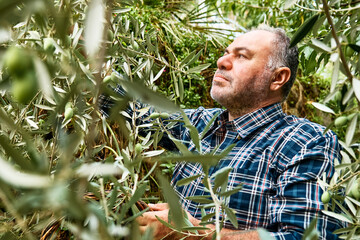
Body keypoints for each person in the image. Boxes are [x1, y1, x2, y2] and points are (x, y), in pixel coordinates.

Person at [100, 26, 342, 239]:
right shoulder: (200, 124)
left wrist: (192, 233)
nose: (221, 62)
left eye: (241, 56)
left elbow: (305, 236)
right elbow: (134, 109)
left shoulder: (307, 142)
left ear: (278, 78)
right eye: (226, 53)